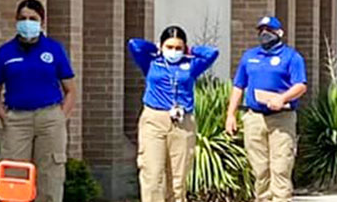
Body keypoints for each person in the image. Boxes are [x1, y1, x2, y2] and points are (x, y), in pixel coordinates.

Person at [0, 0, 77, 202]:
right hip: (17, 119)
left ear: (42, 22)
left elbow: (70, 90)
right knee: (12, 176)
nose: (27, 23)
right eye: (23, 19)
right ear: (16, 21)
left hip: (50, 118)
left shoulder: (54, 49)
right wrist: (6, 118)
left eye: (32, 19)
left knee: (50, 177)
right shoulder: (6, 52)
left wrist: (60, 118)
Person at [128, 26, 219, 202]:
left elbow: (212, 53)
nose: (174, 51)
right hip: (154, 119)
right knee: (152, 175)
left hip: (182, 121)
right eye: (169, 47)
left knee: (177, 179)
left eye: (178, 48)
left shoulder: (190, 65)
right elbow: (134, 45)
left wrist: (190, 50)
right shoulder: (152, 63)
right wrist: (155, 48)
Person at [224, 16, 307, 202]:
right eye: (261, 30)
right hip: (254, 118)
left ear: (279, 33)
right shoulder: (250, 56)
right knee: (260, 169)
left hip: (281, 118)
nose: (264, 34)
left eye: (269, 30)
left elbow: (301, 85)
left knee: (280, 167)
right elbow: (238, 86)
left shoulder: (292, 57)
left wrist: (283, 98)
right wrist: (231, 114)